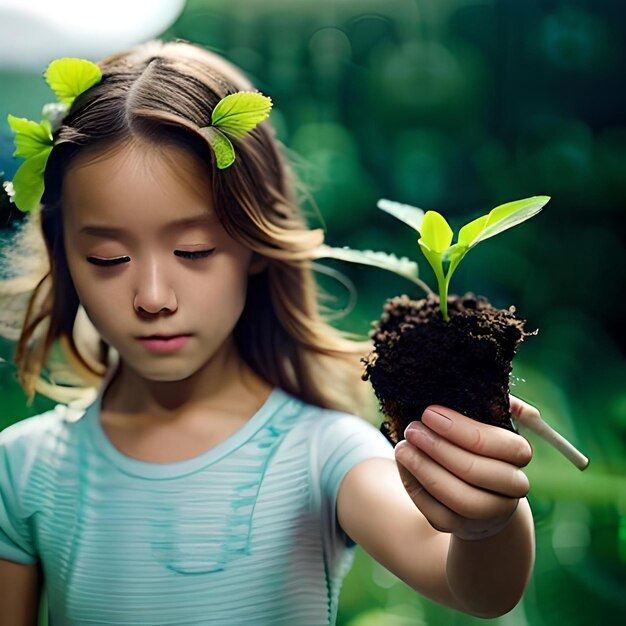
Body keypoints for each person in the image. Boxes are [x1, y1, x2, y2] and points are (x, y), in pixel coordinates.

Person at [0, 39, 535, 625]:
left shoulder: (322, 454)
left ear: (256, 245)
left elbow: (475, 587)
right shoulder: (23, 471)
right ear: (64, 257)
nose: (153, 297)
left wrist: (491, 523)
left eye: (194, 250)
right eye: (107, 257)